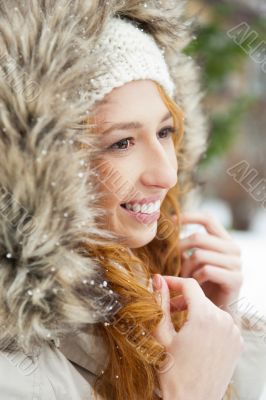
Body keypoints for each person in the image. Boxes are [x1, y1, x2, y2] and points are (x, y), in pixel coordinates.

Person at [0, 1, 265, 400]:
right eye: (121, 143)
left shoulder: (152, 285)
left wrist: (217, 335)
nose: (166, 175)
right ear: (45, 169)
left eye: (164, 132)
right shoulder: (20, 367)